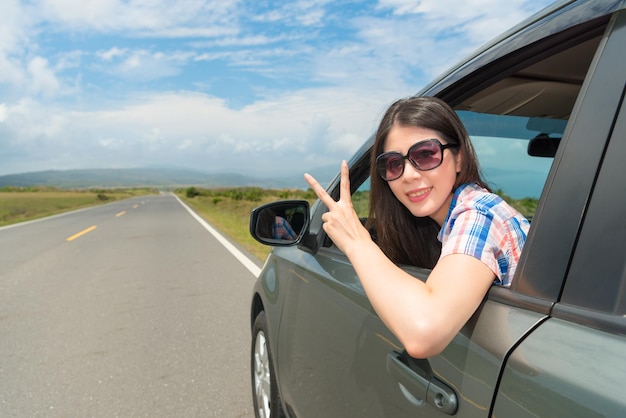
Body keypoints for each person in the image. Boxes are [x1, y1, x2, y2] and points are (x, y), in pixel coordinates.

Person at [304, 96, 529, 359]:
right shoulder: (449, 220)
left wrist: (357, 243)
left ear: (459, 159)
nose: (409, 175)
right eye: (394, 164)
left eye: (425, 154)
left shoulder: (479, 213)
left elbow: (424, 333)